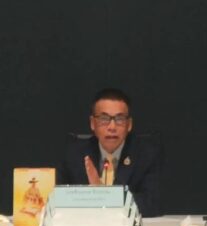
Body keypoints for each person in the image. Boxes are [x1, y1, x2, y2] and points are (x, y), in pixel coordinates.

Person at [57, 88, 163, 217]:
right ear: (92, 123)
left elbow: (151, 204)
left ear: (129, 124)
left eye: (119, 119)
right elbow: (59, 200)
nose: (112, 127)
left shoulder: (146, 155)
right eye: (104, 118)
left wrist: (102, 194)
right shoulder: (74, 155)